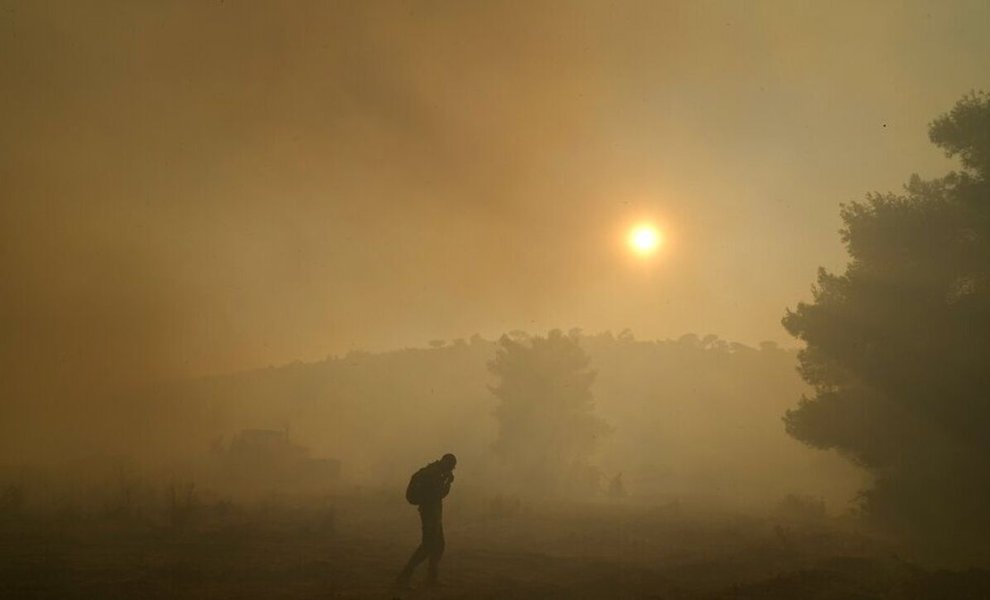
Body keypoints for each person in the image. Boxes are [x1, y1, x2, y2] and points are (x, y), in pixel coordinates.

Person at [396, 453, 457, 588]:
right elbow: (439, 494)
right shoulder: (434, 474)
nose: (451, 470)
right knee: (428, 546)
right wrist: (448, 484)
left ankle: (431, 578)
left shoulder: (434, 471)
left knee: (438, 545)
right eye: (451, 467)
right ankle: (405, 575)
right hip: (430, 513)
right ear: (447, 464)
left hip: (432, 512)